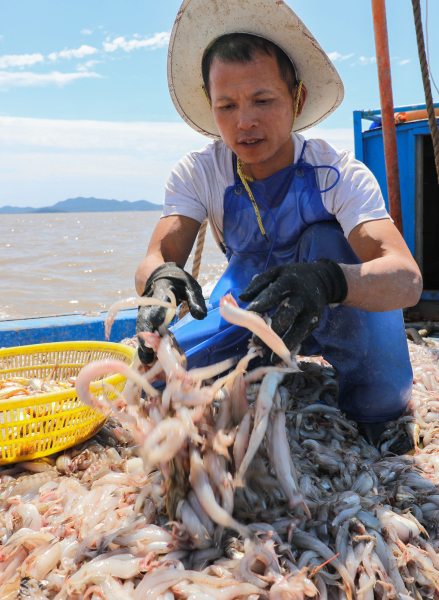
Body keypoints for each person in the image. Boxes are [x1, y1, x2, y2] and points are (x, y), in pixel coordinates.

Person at [133, 0, 422, 445]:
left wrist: (328, 281)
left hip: (336, 305)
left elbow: (405, 278)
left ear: (297, 98)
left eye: (263, 100)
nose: (244, 122)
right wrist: (160, 279)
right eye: (226, 105)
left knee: (384, 404)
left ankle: (369, 397)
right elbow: (159, 254)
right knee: (155, 381)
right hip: (251, 300)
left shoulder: (338, 173)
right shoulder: (199, 172)